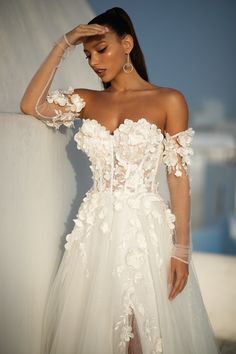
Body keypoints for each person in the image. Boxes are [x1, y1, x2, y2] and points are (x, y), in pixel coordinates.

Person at [20, 7, 220, 354]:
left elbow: (177, 178)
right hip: (96, 231)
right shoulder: (87, 100)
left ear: (126, 44)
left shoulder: (169, 100)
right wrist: (63, 43)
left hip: (146, 231)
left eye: (102, 49)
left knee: (142, 333)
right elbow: (31, 105)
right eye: (86, 55)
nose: (94, 61)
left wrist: (182, 251)